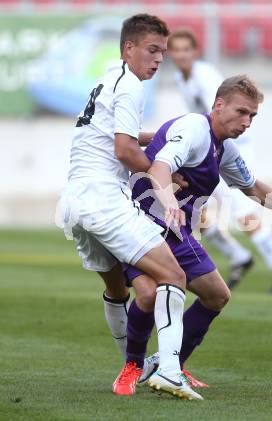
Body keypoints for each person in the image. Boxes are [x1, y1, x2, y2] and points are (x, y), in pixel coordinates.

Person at [120, 75, 272, 394]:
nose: (247, 121)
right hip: (141, 222)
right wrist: (168, 204)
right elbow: (159, 168)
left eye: (252, 115)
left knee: (217, 295)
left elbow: (254, 189)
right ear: (219, 106)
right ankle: (132, 367)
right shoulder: (195, 128)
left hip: (177, 232)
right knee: (149, 295)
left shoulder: (225, 150)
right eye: (241, 112)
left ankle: (169, 368)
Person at [57, 14, 202, 400]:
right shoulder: (132, 86)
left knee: (121, 289)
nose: (158, 60)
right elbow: (123, 151)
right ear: (129, 48)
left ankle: (131, 368)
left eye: (163, 53)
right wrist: (164, 175)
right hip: (105, 197)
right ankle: (169, 371)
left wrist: (157, 137)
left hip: (74, 202)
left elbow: (112, 134)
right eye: (152, 51)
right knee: (173, 275)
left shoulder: (109, 78)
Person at [166, 29, 272, 294]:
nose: (181, 55)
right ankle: (238, 256)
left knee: (243, 212)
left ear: (195, 52)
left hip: (230, 149)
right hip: (207, 147)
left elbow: (226, 111)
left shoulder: (205, 77)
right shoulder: (182, 78)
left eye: (185, 49)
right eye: (176, 50)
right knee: (192, 206)